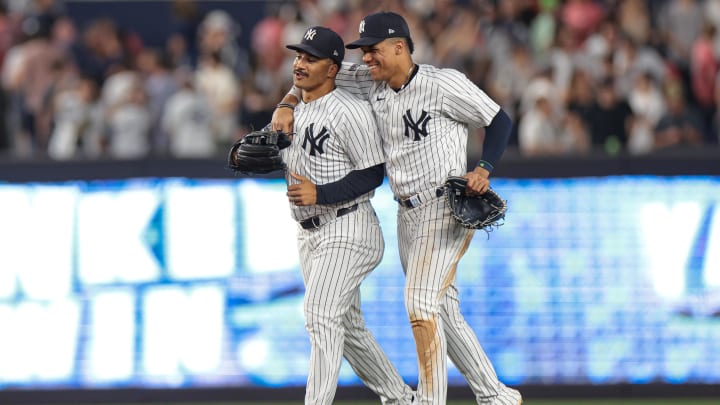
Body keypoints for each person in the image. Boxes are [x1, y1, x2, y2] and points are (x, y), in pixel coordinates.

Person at [272, 11, 522, 405]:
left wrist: (485, 167)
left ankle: (428, 400)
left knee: (420, 304)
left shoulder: (443, 84)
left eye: (372, 50)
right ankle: (496, 396)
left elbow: (498, 120)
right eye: (362, 51)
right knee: (444, 311)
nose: (366, 58)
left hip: (446, 207)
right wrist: (286, 105)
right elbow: (311, 73)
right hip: (407, 213)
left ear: (399, 47)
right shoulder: (369, 80)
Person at [278, 26, 415, 405]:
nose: (300, 63)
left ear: (333, 68)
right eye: (298, 56)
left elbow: (374, 173)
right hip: (309, 234)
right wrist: (246, 156)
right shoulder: (292, 111)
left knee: (320, 314)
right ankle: (402, 399)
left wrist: (320, 193)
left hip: (349, 226)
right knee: (349, 328)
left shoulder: (350, 111)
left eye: (310, 58)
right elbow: (271, 154)